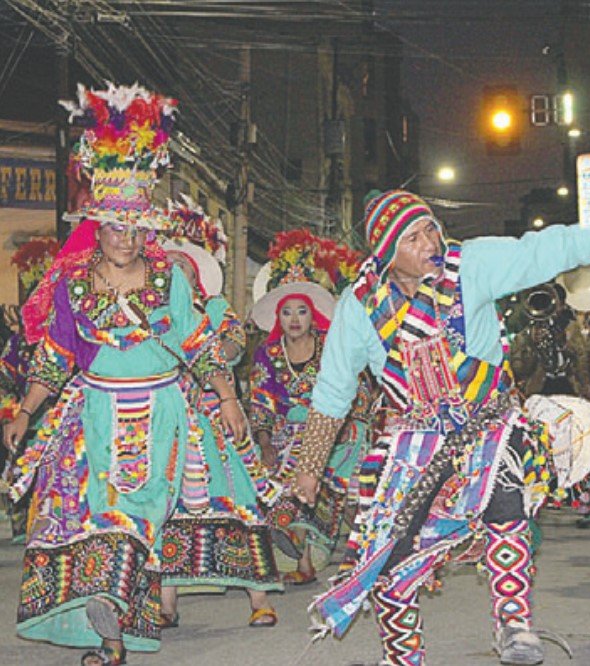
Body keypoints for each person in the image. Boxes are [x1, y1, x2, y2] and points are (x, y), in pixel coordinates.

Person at [292, 188, 590, 665]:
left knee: (504, 498)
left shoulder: (470, 265)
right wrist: (309, 467)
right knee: (390, 552)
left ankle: (514, 623)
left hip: (487, 423)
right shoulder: (359, 306)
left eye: (430, 228)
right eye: (413, 238)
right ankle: (403, 656)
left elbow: (549, 248)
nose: (430, 242)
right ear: (388, 254)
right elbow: (333, 391)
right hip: (414, 441)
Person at [2, 84, 246, 666]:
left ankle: (115, 612)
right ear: (97, 227)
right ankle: (110, 632)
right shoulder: (73, 285)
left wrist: (228, 399)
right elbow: (56, 356)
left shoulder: (170, 281)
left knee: (142, 520)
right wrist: (25, 412)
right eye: (116, 227)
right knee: (96, 518)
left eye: (137, 228)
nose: (127, 238)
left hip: (161, 416)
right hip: (92, 416)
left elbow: (199, 344)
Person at [156, 198, 282, 628]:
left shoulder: (213, 310)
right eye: (169, 266)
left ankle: (259, 599)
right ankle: (166, 605)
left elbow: (232, 345)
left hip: (214, 419)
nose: (175, 273)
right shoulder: (153, 315)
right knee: (168, 507)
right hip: (168, 420)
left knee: (237, 499)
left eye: (183, 267)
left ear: (196, 275)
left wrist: (206, 356)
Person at [249, 230, 373, 584]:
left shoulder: (332, 346)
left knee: (312, 462)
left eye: (301, 311)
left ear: (313, 315)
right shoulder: (268, 354)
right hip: (286, 432)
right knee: (274, 467)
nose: (294, 319)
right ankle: (299, 556)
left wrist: (343, 426)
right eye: (286, 312)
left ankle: (309, 548)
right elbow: (260, 401)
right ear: (277, 317)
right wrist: (265, 442)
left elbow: (359, 391)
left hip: (337, 429)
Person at [0, 237, 59, 544]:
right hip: (26, 417)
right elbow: (5, 377)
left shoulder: (64, 337)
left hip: (60, 418)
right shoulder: (18, 344)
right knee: (22, 472)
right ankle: (23, 526)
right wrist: (13, 411)